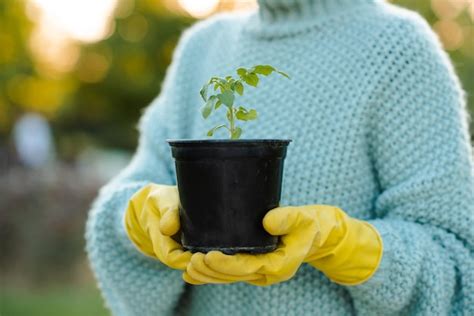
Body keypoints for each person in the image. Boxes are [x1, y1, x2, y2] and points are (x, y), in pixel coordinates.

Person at [85, 0, 474, 315]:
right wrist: (138, 217)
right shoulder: (201, 49)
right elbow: (124, 200)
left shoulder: (398, 49)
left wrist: (345, 244)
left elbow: (456, 267)